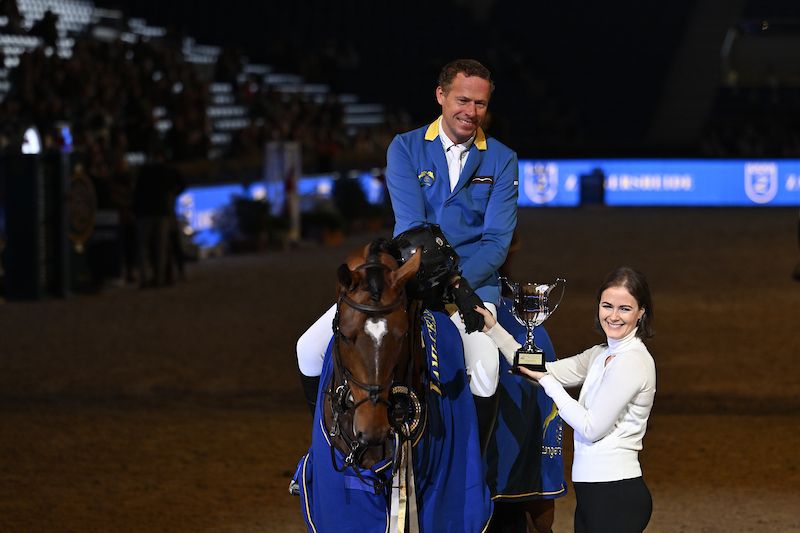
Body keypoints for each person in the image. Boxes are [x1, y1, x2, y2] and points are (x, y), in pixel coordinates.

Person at [384, 58, 519, 452]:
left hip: (475, 289)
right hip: (414, 277)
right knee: (310, 347)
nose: (471, 112)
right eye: (463, 100)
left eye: (480, 104)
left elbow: (497, 241)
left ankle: (472, 472)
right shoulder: (405, 148)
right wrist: (445, 285)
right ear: (441, 96)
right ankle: (324, 456)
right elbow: (412, 231)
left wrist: (462, 287)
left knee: (485, 370)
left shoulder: (502, 158)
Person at [475, 266, 656, 533]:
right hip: (594, 494)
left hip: (616, 494)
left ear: (641, 312)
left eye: (624, 309)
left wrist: (548, 383)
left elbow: (590, 427)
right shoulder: (600, 354)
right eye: (607, 306)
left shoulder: (632, 362)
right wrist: (493, 330)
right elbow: (541, 369)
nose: (613, 316)